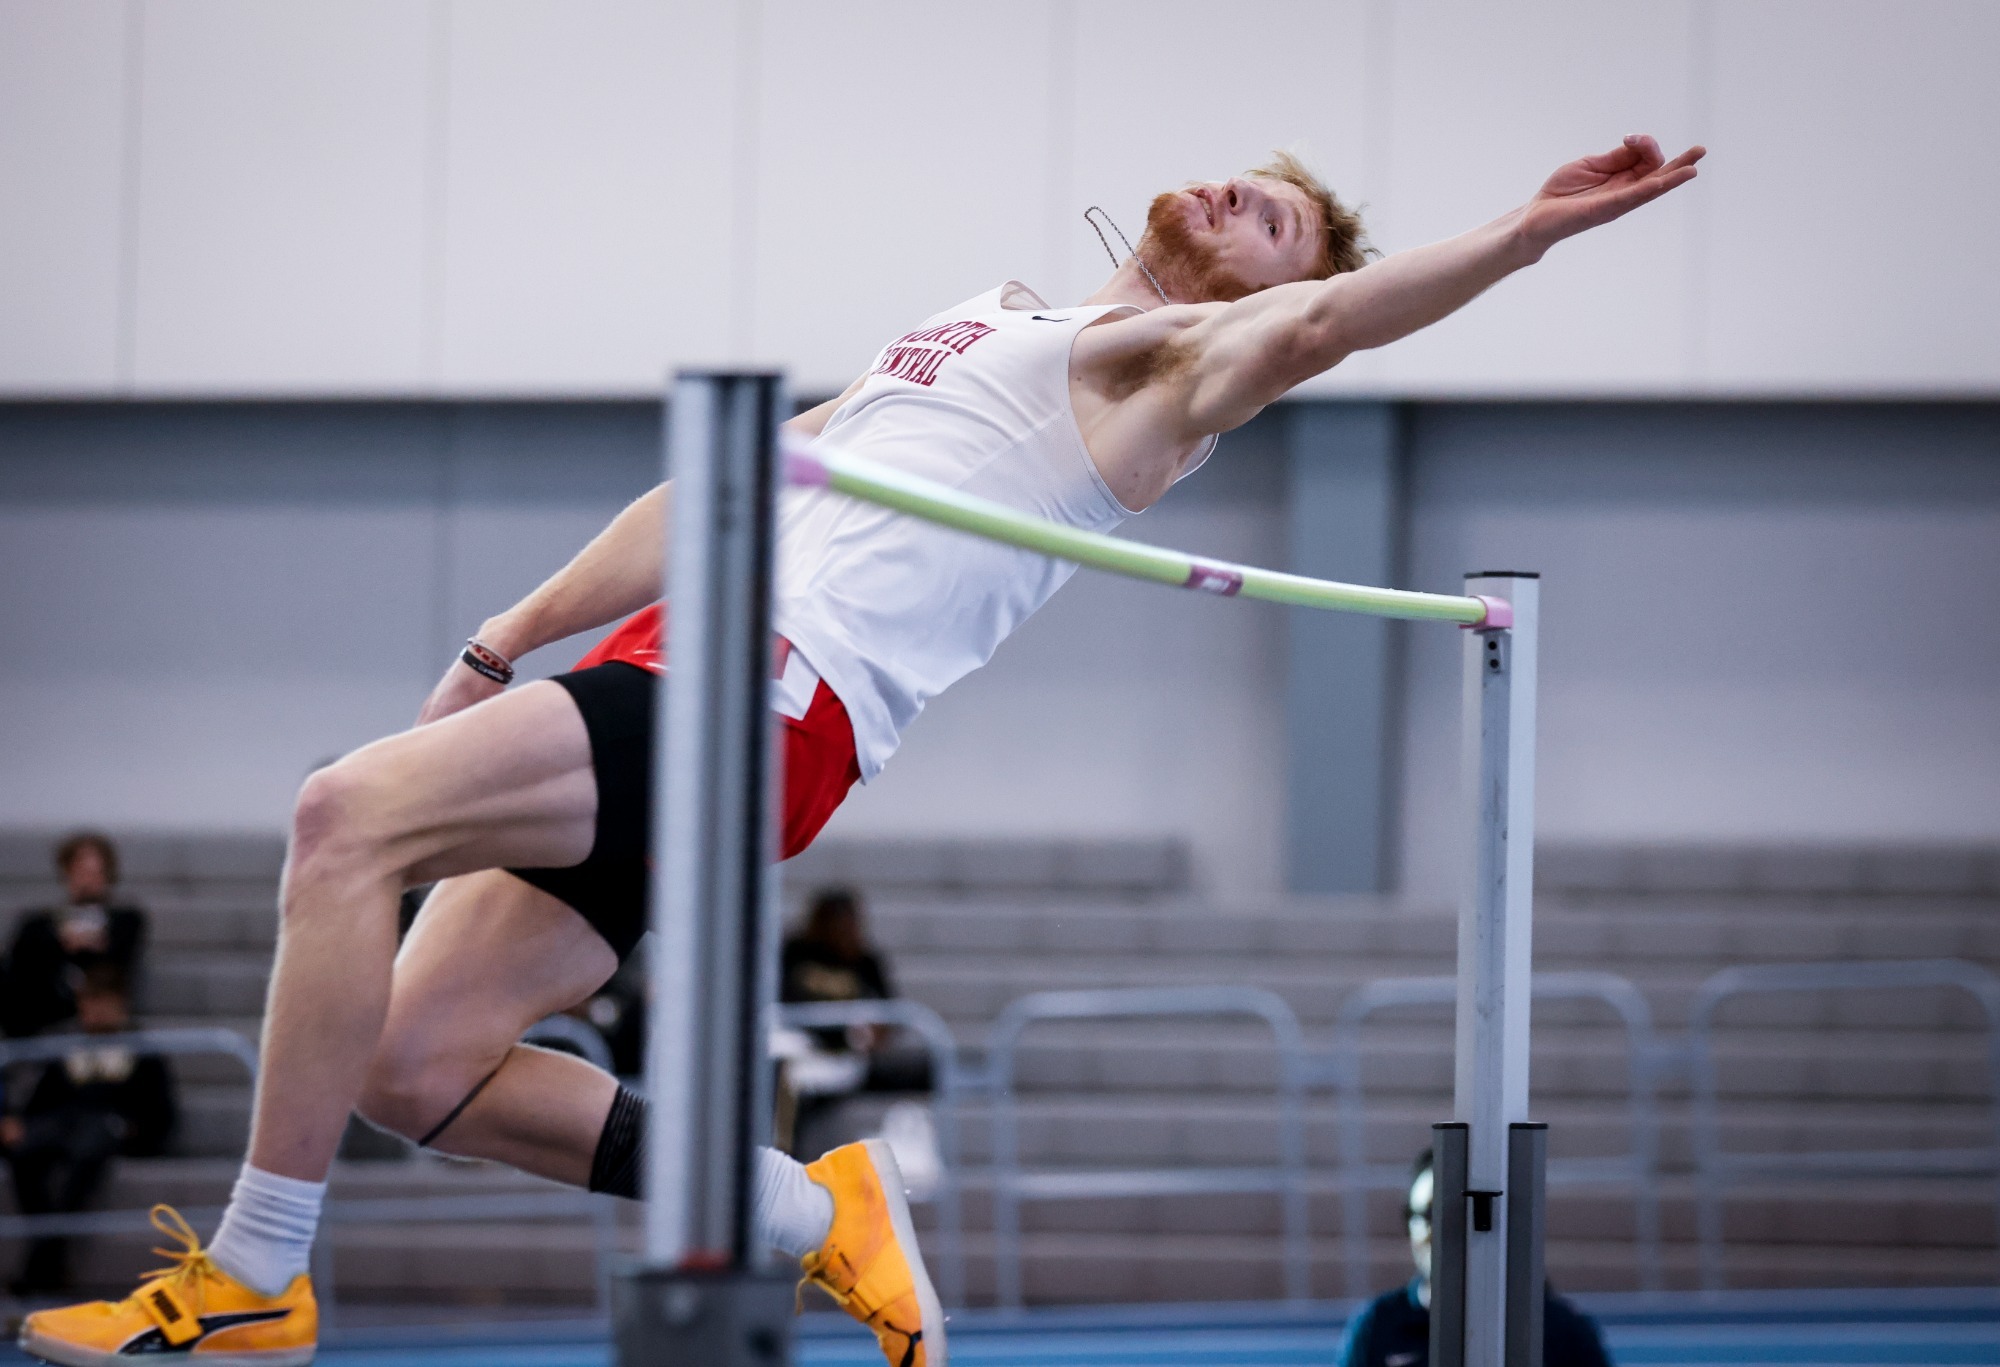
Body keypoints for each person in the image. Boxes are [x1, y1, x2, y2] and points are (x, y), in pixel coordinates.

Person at [22, 133, 1700, 1367]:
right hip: (672, 661)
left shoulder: (1167, 384)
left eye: (1277, 222)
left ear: (1278, 290)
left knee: (341, 815)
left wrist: (1524, 234)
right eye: (1241, 178)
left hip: (777, 701)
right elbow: (729, 485)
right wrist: (506, 633)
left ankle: (256, 1274)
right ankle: (814, 1213)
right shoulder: (992, 322)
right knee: (411, 1067)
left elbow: (1331, 328)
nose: (1235, 197)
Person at [1336, 1150, 1612, 1367]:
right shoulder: (1377, 1326)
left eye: (1455, 1216)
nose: (1441, 1232)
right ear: (1408, 1224)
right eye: (1429, 1215)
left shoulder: (1561, 1329)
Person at [3, 966, 178, 1296]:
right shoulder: (64, 1047)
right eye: (89, 1002)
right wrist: (19, 1122)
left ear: (120, 1004)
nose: (95, 1012)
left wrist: (135, 1130)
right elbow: (40, 1100)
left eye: (103, 1002)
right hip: (62, 1122)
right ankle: (49, 1256)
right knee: (24, 1153)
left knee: (86, 1155)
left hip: (107, 1125)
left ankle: (44, 1262)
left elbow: (159, 1111)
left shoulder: (143, 1053)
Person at [778, 888, 933, 1163]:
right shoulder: (795, 953)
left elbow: (890, 1012)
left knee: (929, 1068)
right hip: (803, 1052)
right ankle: (786, 1156)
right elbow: (782, 1003)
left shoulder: (865, 960)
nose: (844, 931)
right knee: (789, 1083)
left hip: (848, 1057)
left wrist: (874, 1033)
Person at [3, 834, 147, 1041]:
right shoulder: (38, 926)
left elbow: (121, 958)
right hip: (46, 1018)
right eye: (82, 871)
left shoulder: (126, 921)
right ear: (67, 873)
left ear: (108, 875)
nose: (88, 880)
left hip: (102, 1022)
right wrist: (60, 941)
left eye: (95, 872)